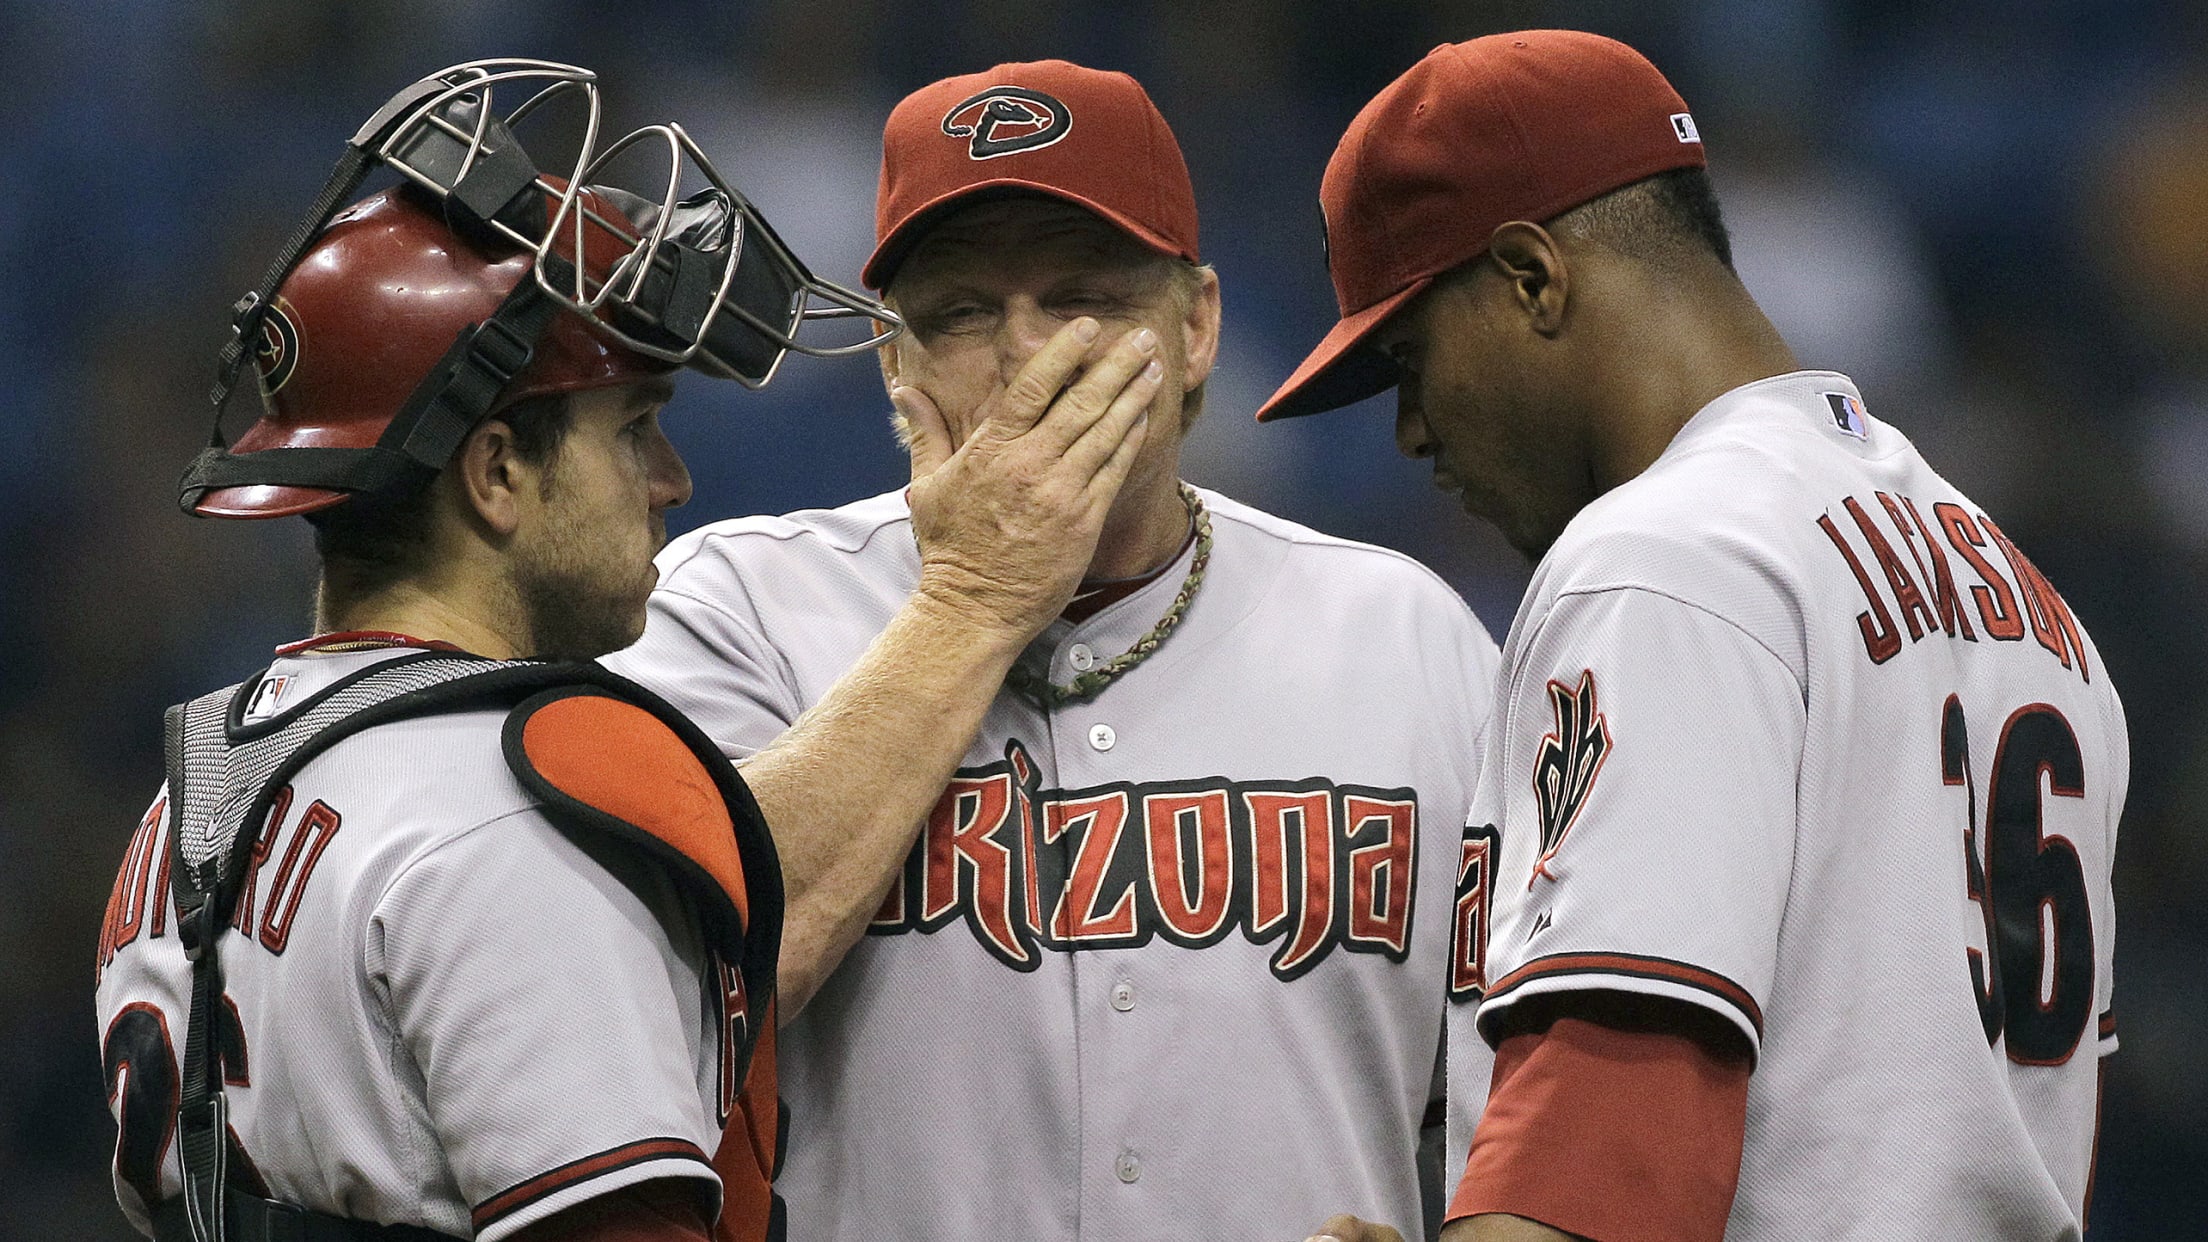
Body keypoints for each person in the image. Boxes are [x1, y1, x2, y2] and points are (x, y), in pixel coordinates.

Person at [92, 58, 1149, 1242]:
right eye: (633, 429)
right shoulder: (506, 817)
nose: (671, 482)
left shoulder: (188, 802)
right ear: (496, 473)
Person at [603, 59, 1502, 1242]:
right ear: (893, 358)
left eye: (1082, 296)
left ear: (1196, 330)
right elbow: (664, 1015)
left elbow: (1519, 1090)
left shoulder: (1402, 632)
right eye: (963, 312)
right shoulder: (738, 607)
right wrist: (975, 599)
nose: (1025, 352)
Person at [1260, 31, 2126, 1242]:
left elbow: (1614, 1153)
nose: (1410, 431)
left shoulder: (1665, 559)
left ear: (1531, 278)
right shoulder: (2014, 584)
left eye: (1410, 359)